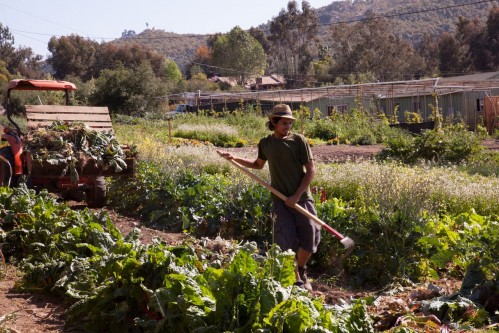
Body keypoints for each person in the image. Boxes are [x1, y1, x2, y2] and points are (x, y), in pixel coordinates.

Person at [218, 104, 320, 292]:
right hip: (280, 201)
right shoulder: (266, 143)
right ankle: (297, 280)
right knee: (286, 243)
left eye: (290, 123)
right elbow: (257, 165)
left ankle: (301, 267)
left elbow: (311, 170)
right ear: (273, 122)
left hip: (302, 198)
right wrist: (233, 158)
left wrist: (296, 196)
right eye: (283, 123)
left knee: (310, 237)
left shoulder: (299, 141)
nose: (287, 127)